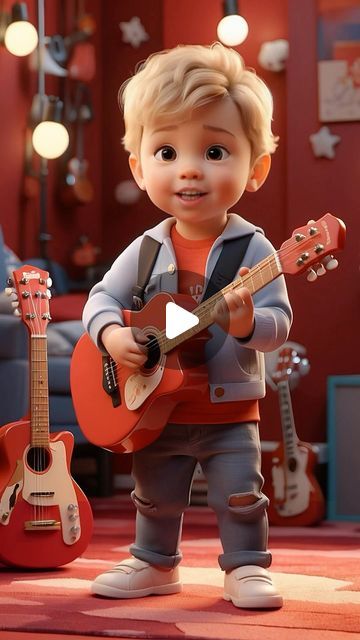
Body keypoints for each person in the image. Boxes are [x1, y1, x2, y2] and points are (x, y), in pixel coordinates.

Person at [83, 42, 293, 609]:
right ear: (139, 167)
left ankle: (247, 566)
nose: (190, 168)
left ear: (257, 168)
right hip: (158, 408)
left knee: (241, 495)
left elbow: (279, 323)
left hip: (227, 409)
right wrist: (112, 336)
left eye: (217, 150)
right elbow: (101, 298)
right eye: (168, 150)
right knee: (155, 495)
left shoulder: (254, 250)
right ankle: (154, 563)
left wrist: (249, 321)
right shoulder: (148, 249)